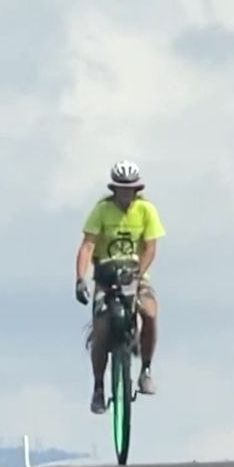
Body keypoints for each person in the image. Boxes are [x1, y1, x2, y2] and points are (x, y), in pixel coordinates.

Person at [74, 160, 165, 414]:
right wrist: (80, 277)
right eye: (121, 189)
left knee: (150, 312)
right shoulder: (102, 210)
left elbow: (150, 247)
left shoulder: (146, 210)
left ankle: (146, 369)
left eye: (130, 189)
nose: (126, 194)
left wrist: (139, 273)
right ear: (114, 190)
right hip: (106, 275)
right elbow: (88, 245)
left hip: (135, 274)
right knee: (101, 330)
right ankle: (98, 388)